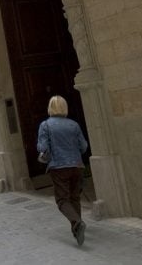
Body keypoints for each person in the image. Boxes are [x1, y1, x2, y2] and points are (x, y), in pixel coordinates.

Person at [37, 95, 88, 246]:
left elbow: (42, 148)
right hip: (77, 165)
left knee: (62, 200)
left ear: (50, 108)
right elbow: (84, 146)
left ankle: (77, 223)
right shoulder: (74, 125)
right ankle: (77, 229)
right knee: (74, 198)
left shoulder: (45, 125)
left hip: (59, 167)